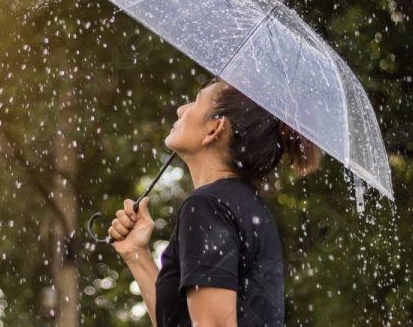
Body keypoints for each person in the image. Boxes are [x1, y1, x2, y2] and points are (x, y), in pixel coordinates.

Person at [108, 77, 322, 327]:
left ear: (214, 128)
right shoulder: (248, 207)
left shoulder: (207, 207)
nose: (181, 109)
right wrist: (136, 253)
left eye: (197, 101)